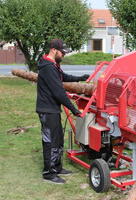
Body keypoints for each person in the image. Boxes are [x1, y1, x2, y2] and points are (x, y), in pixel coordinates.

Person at [36, 39, 89, 184]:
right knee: (50, 141)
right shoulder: (47, 67)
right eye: (62, 52)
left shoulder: (53, 65)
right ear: (54, 50)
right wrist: (74, 110)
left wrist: (80, 78)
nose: (64, 55)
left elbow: (63, 78)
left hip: (53, 109)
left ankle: (57, 168)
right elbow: (59, 92)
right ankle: (49, 173)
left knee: (58, 139)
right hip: (47, 109)